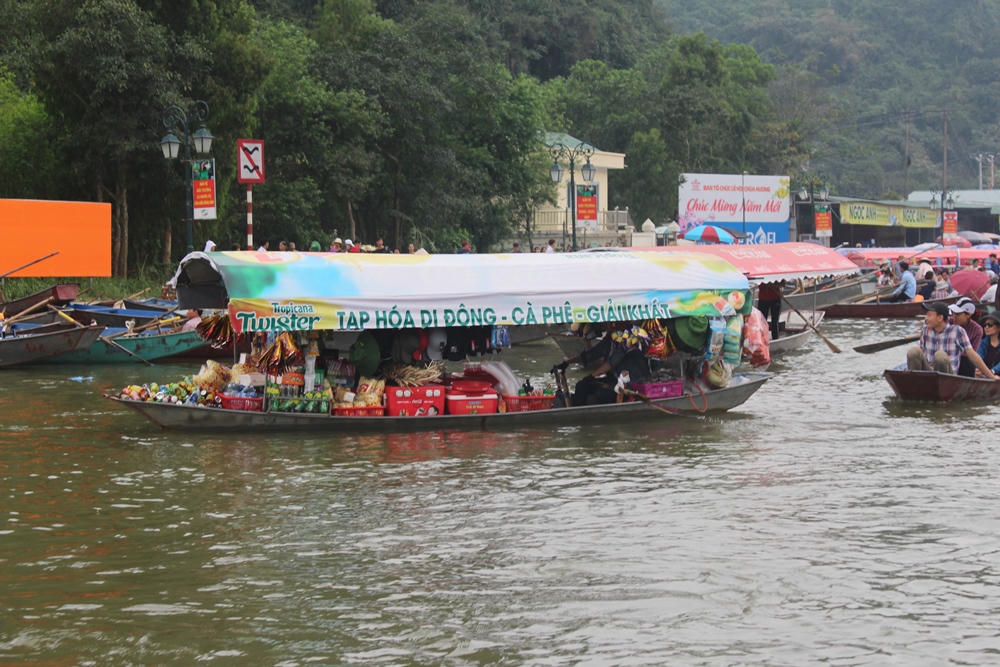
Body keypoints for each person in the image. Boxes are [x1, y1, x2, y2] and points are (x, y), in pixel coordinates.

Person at [554, 322, 652, 406]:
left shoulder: (630, 335)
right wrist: (567, 363)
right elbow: (593, 353)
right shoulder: (611, 337)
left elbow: (612, 361)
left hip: (632, 382)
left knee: (601, 393)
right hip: (615, 379)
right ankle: (576, 409)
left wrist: (591, 376)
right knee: (581, 385)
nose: (607, 325)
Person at [906, 302, 998, 379]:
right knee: (913, 351)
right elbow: (921, 353)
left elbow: (972, 355)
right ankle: (914, 382)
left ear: (940, 318)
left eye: (929, 315)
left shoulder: (957, 331)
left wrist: (991, 376)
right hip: (929, 371)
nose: (926, 319)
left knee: (940, 356)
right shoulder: (926, 330)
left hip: (948, 377)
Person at [950, 297, 983, 377]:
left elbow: (972, 353)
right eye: (953, 313)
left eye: (957, 314)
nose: (954, 317)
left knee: (968, 361)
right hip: (948, 356)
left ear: (968, 315)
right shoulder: (949, 322)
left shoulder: (977, 330)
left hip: (964, 361)